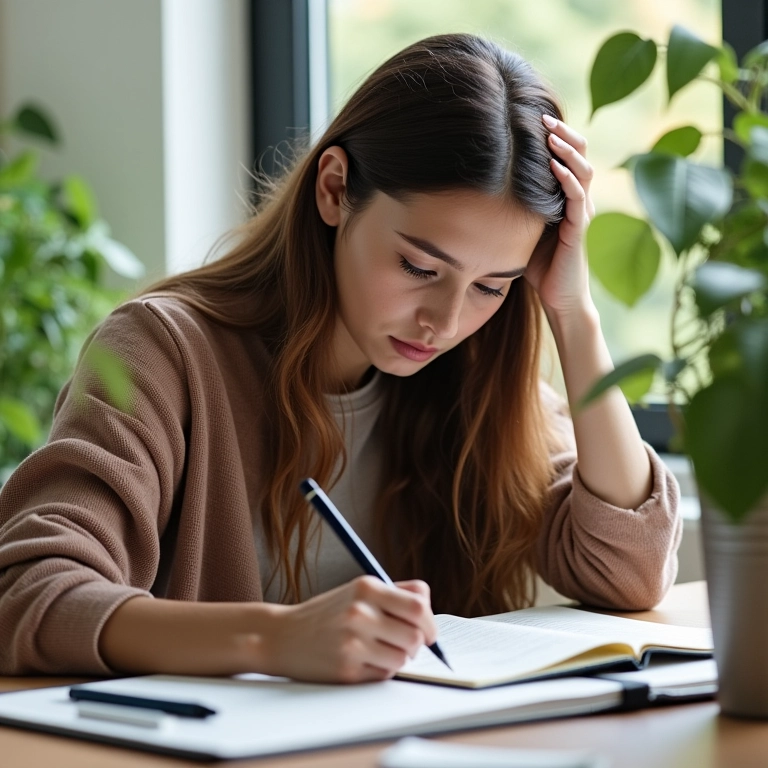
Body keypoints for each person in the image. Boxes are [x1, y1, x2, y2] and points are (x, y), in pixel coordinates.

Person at [0, 33, 680, 682]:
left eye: (490, 286)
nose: (444, 320)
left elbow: (629, 570)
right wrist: (272, 638)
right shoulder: (163, 353)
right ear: (333, 188)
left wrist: (574, 313)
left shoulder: (474, 376)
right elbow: (27, 591)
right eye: (419, 266)